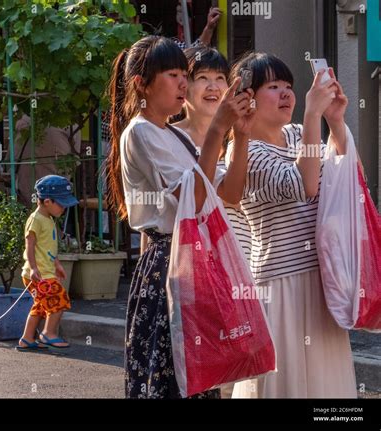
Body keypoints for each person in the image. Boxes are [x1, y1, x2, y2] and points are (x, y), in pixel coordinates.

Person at [107, 35, 254, 398]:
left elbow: (230, 196)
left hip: (191, 262)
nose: (183, 83)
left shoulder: (173, 135)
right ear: (142, 84)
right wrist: (218, 129)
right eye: (173, 74)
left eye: (183, 74)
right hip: (168, 265)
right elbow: (195, 200)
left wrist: (242, 135)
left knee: (196, 379)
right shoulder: (140, 132)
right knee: (170, 378)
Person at [227, 52, 357, 398]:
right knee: (284, 383)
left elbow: (342, 176)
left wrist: (337, 122)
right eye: (273, 86)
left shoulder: (301, 133)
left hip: (321, 278)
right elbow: (305, 184)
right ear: (246, 97)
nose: (286, 94)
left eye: (289, 86)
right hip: (279, 282)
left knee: (326, 385)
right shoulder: (245, 152)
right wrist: (315, 114)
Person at [173, 46, 253, 262]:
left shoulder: (235, 136)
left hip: (235, 257)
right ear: (183, 86)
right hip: (188, 257)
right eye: (202, 77)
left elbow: (233, 195)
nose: (213, 87)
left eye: (220, 78)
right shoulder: (169, 137)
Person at [17, 175, 78, 351]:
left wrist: (57, 264)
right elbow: (30, 245)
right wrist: (34, 268)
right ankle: (48, 333)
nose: (64, 209)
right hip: (39, 275)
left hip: (45, 272)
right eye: (62, 204)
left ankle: (27, 338)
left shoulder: (48, 219)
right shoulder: (36, 219)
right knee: (60, 299)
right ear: (48, 201)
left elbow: (47, 248)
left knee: (41, 306)